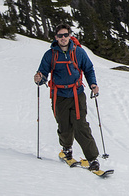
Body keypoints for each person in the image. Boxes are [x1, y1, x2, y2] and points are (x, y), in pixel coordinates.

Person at [34, 23, 102, 171]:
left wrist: (93, 84)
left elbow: (89, 69)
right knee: (64, 125)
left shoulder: (78, 52)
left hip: (77, 94)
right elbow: (43, 72)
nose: (63, 38)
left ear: (70, 36)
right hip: (59, 95)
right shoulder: (50, 54)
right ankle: (66, 150)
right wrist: (40, 78)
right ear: (56, 37)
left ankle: (92, 159)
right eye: (60, 36)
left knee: (81, 126)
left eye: (66, 35)